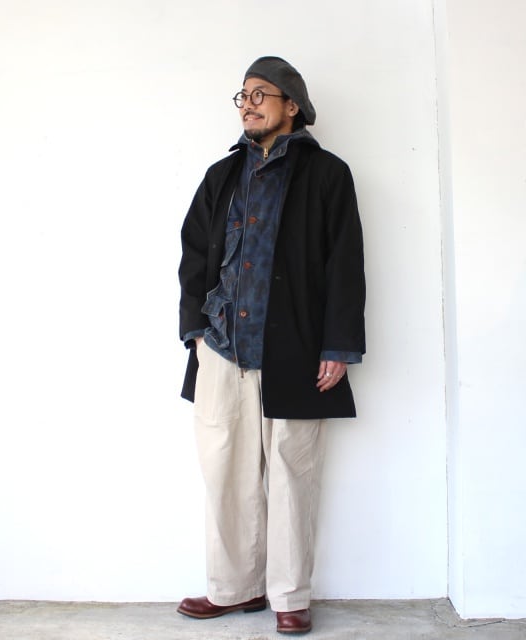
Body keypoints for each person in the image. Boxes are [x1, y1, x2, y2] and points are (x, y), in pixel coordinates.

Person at [177, 56, 365, 635]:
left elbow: (345, 264)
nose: (248, 104)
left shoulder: (327, 174)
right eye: (243, 95)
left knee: (292, 476)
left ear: (292, 105)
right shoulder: (220, 176)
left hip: (296, 351)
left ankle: (290, 596)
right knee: (225, 474)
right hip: (221, 348)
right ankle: (235, 590)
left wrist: (338, 346)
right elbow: (193, 256)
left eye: (261, 94)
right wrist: (195, 333)